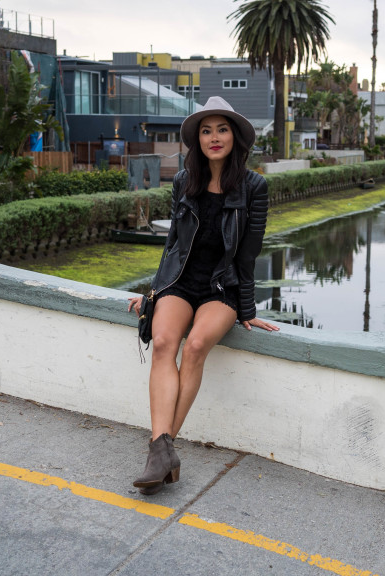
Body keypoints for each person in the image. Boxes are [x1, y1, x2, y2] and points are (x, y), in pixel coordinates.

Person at [127, 96, 280, 495]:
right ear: (198, 139)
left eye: (222, 129)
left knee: (195, 345)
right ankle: (163, 453)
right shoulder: (183, 181)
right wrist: (153, 292)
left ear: (235, 137)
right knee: (163, 342)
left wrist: (247, 308)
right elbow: (173, 246)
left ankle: (160, 451)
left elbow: (248, 255)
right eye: (207, 131)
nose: (214, 137)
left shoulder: (254, 187)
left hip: (222, 286)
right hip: (181, 281)